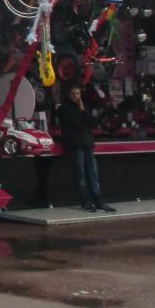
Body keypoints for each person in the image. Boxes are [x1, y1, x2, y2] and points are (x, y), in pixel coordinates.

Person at [56, 84, 116, 213]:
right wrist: (84, 118)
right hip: (75, 144)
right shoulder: (63, 109)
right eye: (73, 93)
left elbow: (94, 123)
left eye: (77, 93)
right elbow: (77, 125)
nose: (75, 96)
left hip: (87, 144)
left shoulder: (82, 107)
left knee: (93, 174)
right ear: (68, 95)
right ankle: (86, 203)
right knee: (80, 175)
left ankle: (99, 203)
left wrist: (84, 111)